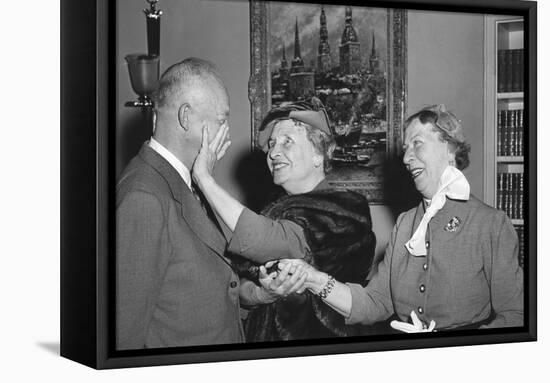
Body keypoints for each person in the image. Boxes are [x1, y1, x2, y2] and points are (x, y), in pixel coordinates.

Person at [276, 104, 524, 332]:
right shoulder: (406, 224)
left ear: (450, 149)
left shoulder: (490, 223)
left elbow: (516, 315)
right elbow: (375, 302)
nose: (406, 158)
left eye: (417, 144)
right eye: (405, 149)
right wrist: (314, 279)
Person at [116, 58, 307, 349]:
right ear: (186, 118)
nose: (227, 131)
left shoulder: (184, 183)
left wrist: (259, 294)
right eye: (221, 119)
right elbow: (124, 334)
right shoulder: (144, 196)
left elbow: (200, 293)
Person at [192, 98, 376, 341]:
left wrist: (204, 178)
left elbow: (270, 242)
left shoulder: (345, 212)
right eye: (272, 144)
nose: (274, 153)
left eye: (287, 142)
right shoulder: (273, 209)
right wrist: (262, 293)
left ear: (319, 154)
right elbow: (239, 285)